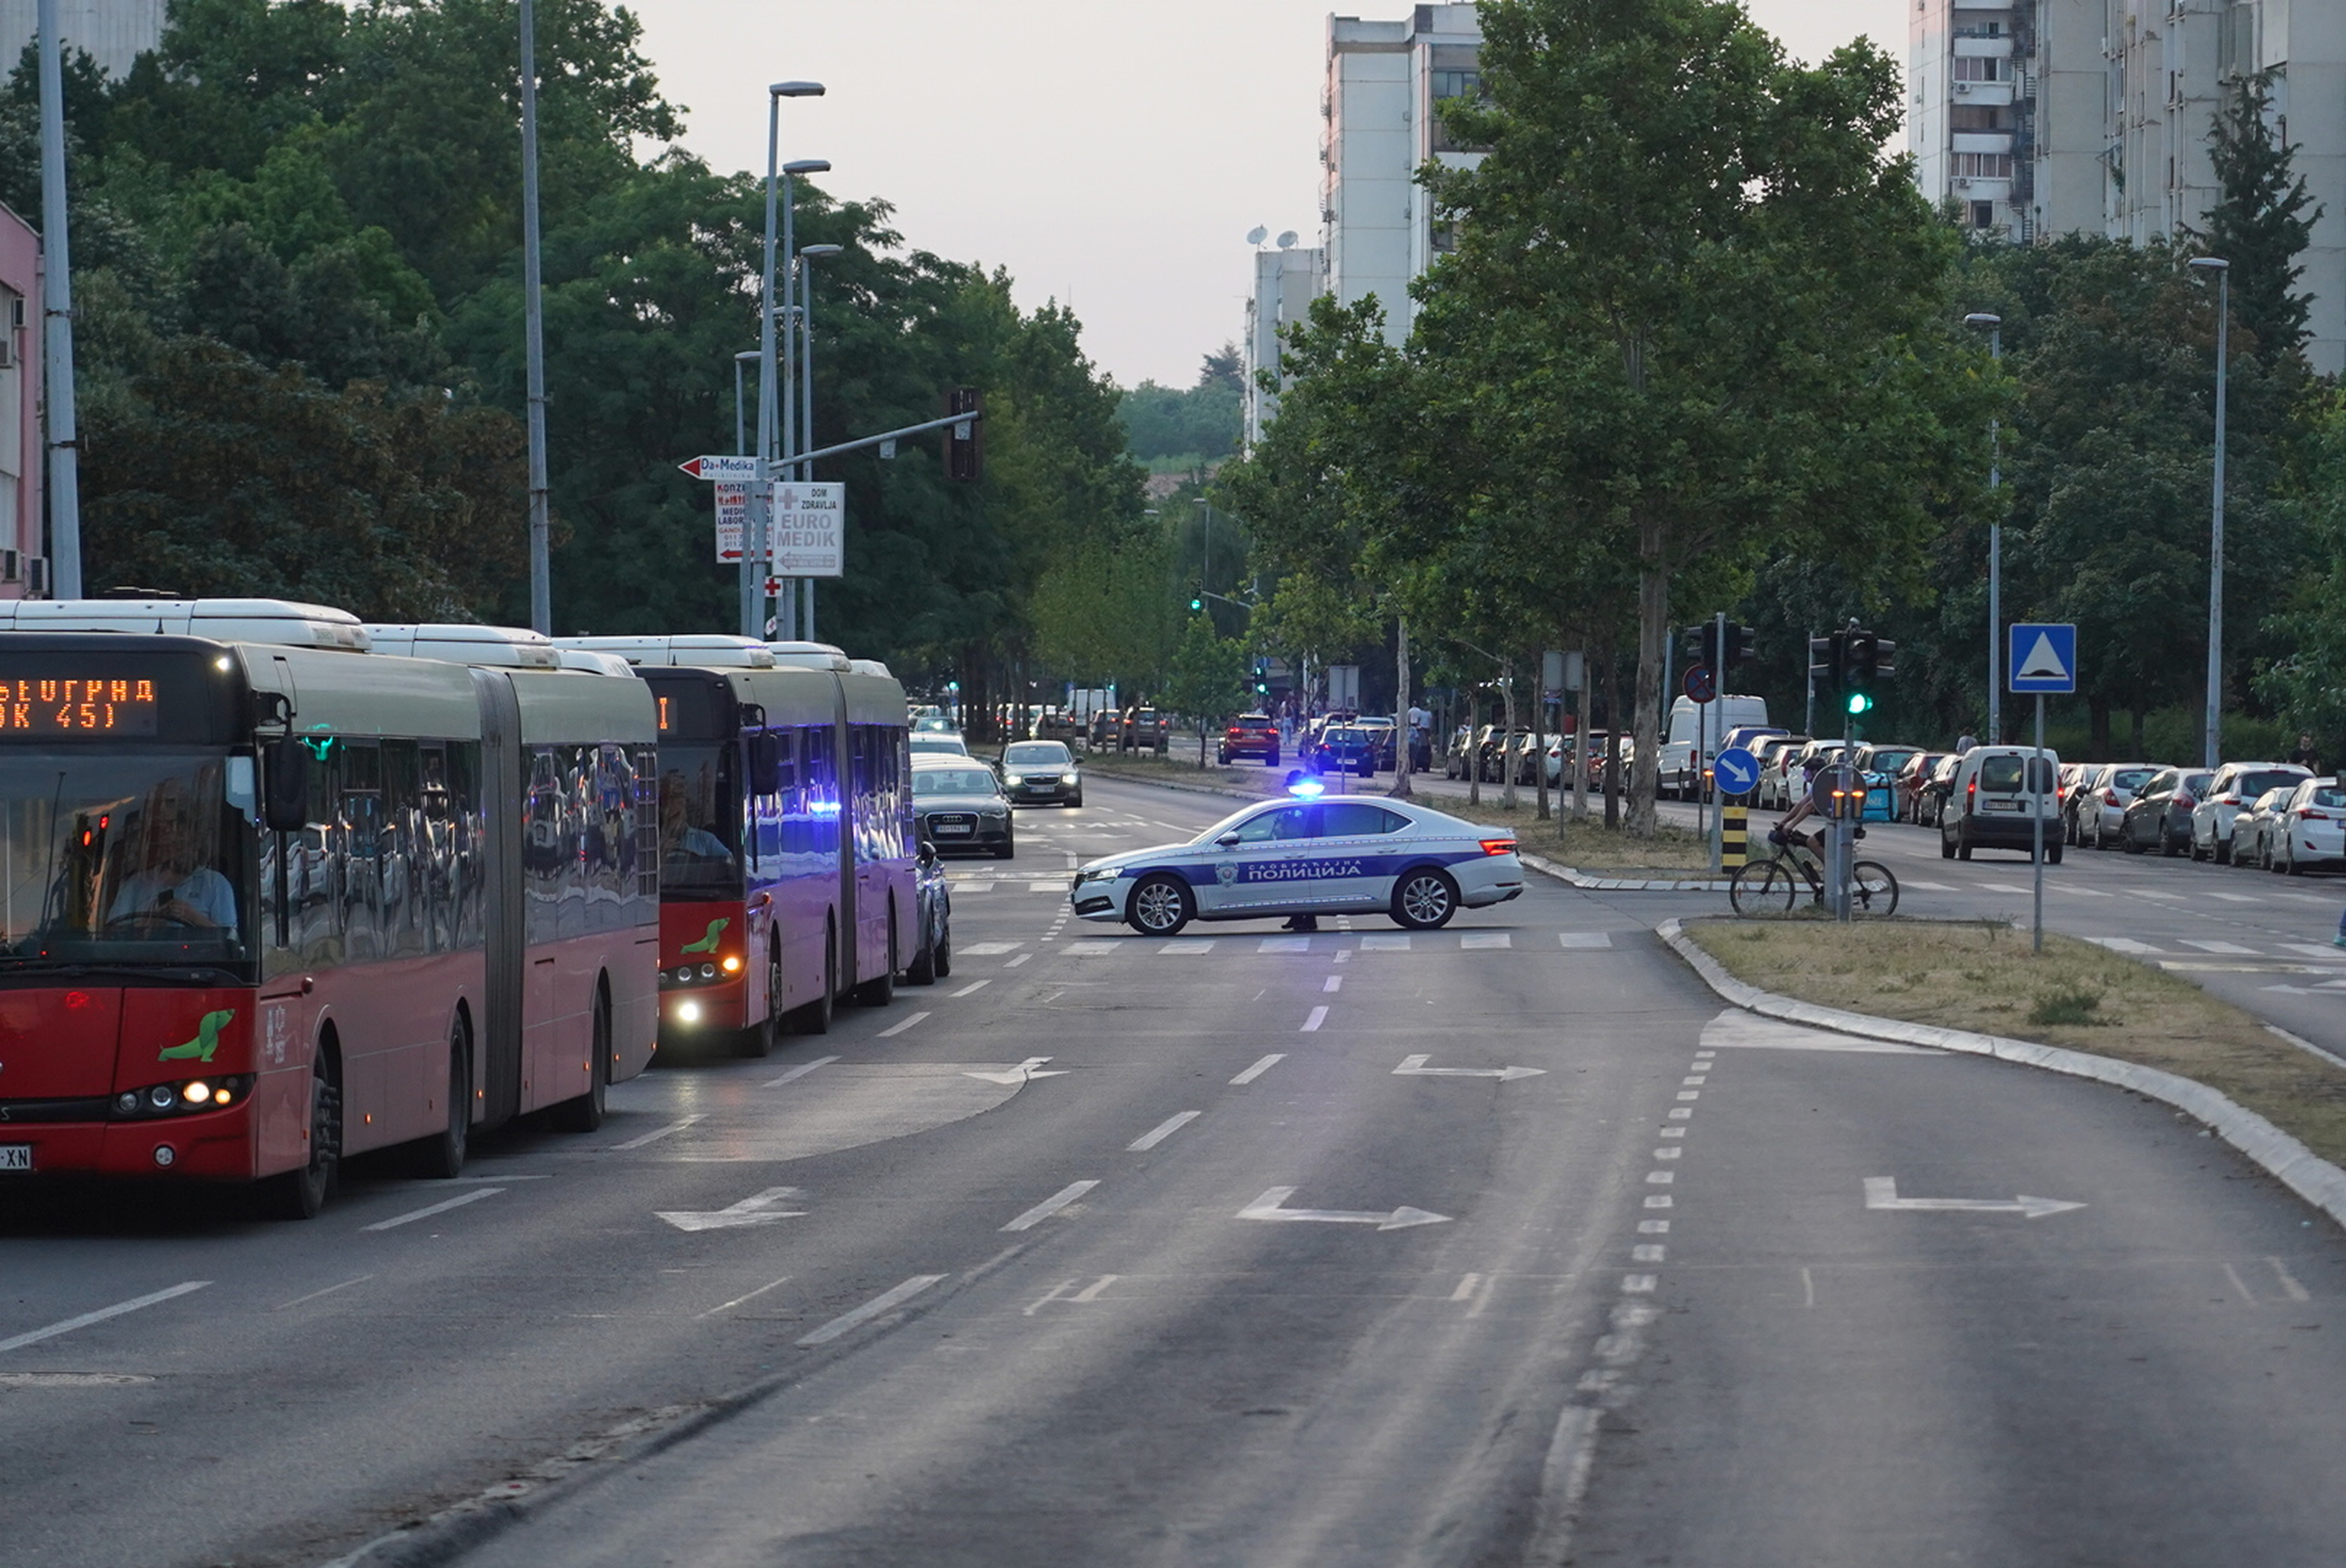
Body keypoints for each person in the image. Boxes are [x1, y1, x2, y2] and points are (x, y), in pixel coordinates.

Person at [107, 778, 237, 930]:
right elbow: (113, 934)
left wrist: (192, 916)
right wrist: (147, 923)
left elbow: (229, 939)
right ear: (162, 847)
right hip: (143, 954)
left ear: (195, 845)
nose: (178, 851)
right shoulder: (136, 885)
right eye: (173, 845)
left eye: (183, 844)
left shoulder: (214, 884)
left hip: (199, 954)